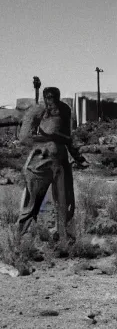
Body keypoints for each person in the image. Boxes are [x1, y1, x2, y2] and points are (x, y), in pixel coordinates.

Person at [17, 87, 82, 241]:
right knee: (31, 202)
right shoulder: (36, 112)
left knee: (65, 201)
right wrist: (45, 139)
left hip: (61, 160)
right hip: (41, 160)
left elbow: (68, 137)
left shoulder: (65, 110)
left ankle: (62, 236)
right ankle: (20, 238)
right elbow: (24, 138)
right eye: (49, 97)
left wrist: (77, 156)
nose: (52, 101)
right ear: (45, 98)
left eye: (55, 97)